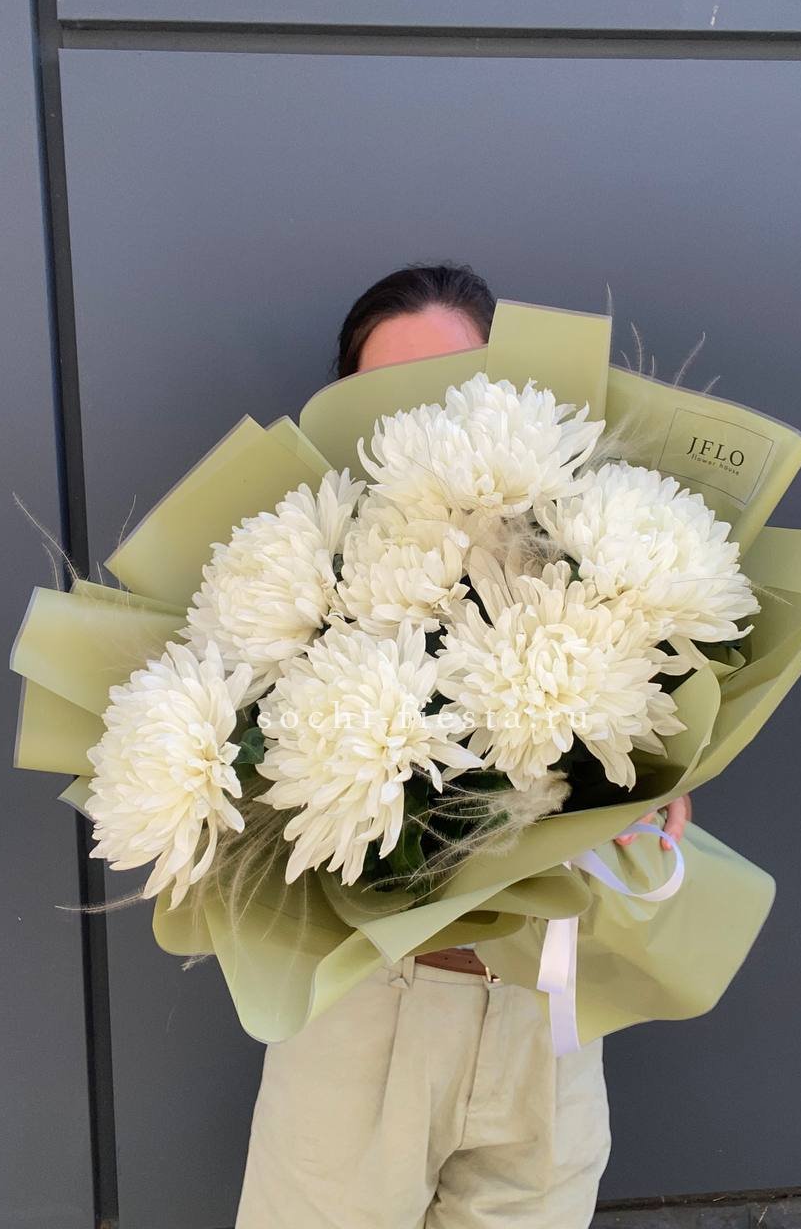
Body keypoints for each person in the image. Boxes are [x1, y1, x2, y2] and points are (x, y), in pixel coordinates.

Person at [235, 263, 692, 1229]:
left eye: (452, 383)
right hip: (370, 1015)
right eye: (386, 393)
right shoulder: (301, 573)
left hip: (546, 1015)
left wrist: (657, 787)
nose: (426, 415)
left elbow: (667, 724)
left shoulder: (590, 551)